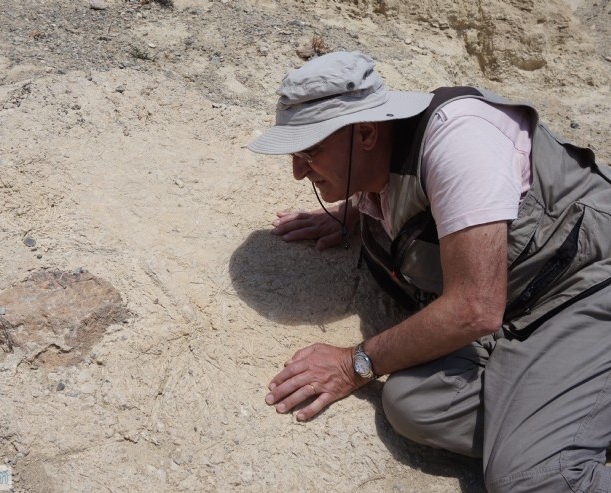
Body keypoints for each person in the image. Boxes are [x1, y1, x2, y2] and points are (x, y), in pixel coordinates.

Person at [247, 51, 611, 492]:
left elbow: (474, 309)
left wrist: (352, 363)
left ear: (364, 132)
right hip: (519, 307)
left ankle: (555, 432)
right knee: (413, 403)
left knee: (529, 480)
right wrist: (354, 211)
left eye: (309, 151)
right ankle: (567, 414)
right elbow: (414, 192)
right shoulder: (379, 156)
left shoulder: (460, 143)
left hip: (586, 285)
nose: (297, 171)